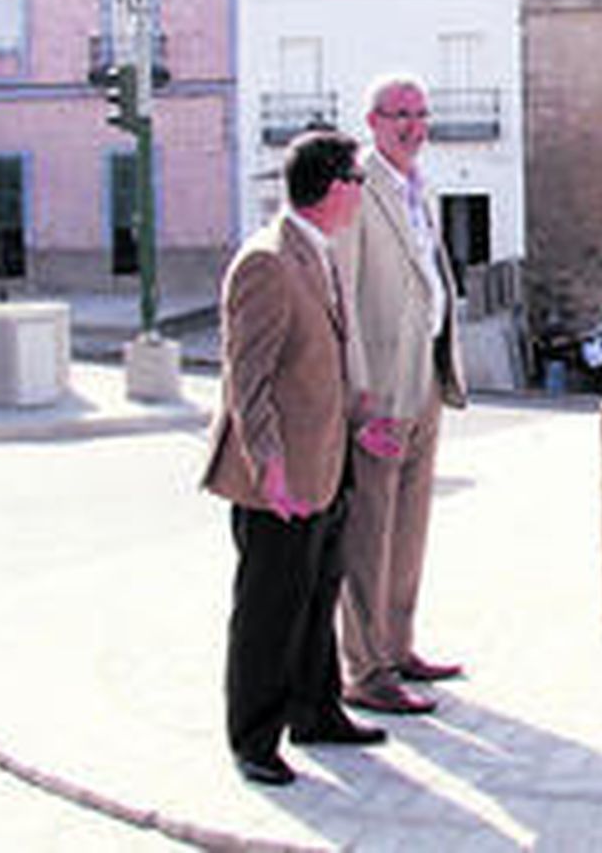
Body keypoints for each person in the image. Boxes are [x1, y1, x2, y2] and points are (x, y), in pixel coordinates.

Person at [201, 130, 390, 788]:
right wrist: (269, 468)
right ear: (335, 187)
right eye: (359, 181)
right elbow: (246, 379)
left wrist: (361, 423)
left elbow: (316, 367)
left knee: (317, 594)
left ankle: (316, 711)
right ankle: (254, 737)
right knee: (270, 608)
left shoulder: (317, 251)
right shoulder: (267, 262)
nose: (363, 193)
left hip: (325, 463)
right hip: (278, 477)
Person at [335, 73, 468, 717]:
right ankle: (364, 668)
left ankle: (397, 645)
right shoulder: (358, 189)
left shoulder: (419, 185)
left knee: (409, 526)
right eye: (400, 115)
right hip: (381, 390)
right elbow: (344, 296)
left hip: (426, 377)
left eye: (421, 114)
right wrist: (358, 399)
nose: (414, 126)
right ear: (372, 121)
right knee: (369, 532)